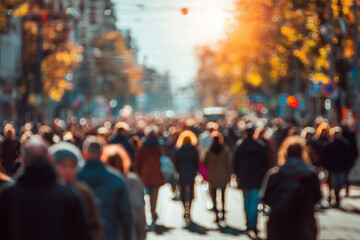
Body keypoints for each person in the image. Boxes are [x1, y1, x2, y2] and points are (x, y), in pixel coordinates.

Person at [0, 135, 93, 240]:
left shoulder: (9, 196)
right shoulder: (68, 195)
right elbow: (82, 234)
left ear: (23, 160)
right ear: (49, 160)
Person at [260, 136, 322, 240]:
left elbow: (265, 198)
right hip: (304, 221)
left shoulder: (274, 175)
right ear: (303, 153)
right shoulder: (311, 175)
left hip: (279, 222)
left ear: (285, 153)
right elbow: (317, 197)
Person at [78, 136, 133, 240]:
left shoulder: (75, 178)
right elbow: (126, 214)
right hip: (108, 234)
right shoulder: (116, 178)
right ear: (102, 153)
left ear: (84, 154)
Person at [49, 142, 103, 240]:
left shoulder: (83, 192)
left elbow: (94, 225)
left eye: (72, 166)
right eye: (63, 165)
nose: (68, 170)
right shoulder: (46, 192)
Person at [102, 144, 146, 240]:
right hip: (130, 232)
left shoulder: (104, 182)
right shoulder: (134, 181)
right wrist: (142, 235)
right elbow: (140, 210)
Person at [233, 125, 270, 236]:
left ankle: (248, 223)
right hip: (256, 177)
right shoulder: (260, 146)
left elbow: (235, 162)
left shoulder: (240, 145)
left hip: (244, 177)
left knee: (246, 201)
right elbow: (266, 163)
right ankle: (253, 224)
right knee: (254, 203)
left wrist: (237, 175)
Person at [134, 126, 165, 228]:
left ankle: (145, 217)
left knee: (142, 197)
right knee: (154, 196)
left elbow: (137, 161)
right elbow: (164, 157)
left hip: (144, 174)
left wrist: (137, 173)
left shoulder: (142, 145)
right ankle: (153, 213)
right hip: (156, 173)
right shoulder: (159, 145)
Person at [203, 132, 231, 223]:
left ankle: (216, 214)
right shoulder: (225, 150)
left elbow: (205, 163)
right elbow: (228, 163)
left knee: (214, 195)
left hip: (213, 174)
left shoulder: (209, 150)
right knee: (223, 195)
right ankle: (222, 212)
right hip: (223, 174)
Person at [321, 127, 352, 207]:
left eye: (338, 133)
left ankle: (337, 195)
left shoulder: (345, 144)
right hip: (332, 168)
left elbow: (349, 156)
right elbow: (325, 156)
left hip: (342, 167)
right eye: (335, 133)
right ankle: (336, 197)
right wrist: (325, 166)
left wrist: (348, 166)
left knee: (341, 183)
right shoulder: (329, 144)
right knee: (334, 183)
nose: (337, 135)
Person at [174, 130, 199, 224]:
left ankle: (185, 209)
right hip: (191, 173)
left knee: (183, 192)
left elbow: (176, 162)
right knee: (191, 191)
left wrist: (178, 171)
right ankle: (190, 209)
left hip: (182, 173)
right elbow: (196, 163)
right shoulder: (194, 150)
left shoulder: (179, 150)